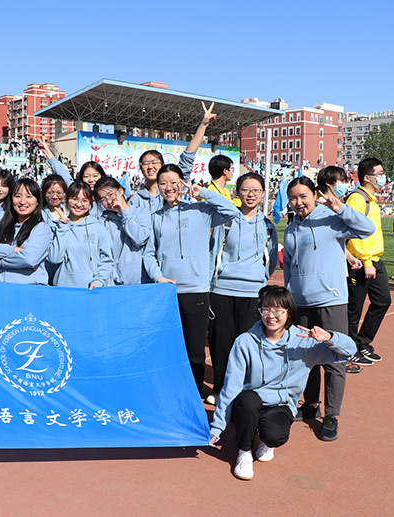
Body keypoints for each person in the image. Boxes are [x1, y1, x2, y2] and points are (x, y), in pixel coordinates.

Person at [209, 286, 356, 481]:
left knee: (275, 435)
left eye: (278, 310)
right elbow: (231, 386)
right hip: (250, 402)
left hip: (281, 404)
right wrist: (218, 425)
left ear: (289, 312)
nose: (271, 316)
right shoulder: (245, 341)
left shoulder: (303, 342)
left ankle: (266, 441)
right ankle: (244, 453)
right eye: (266, 309)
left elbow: (349, 352)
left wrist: (329, 338)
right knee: (247, 401)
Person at [283, 174, 374, 441]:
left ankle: (332, 415)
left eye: (303, 196)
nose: (298, 202)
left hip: (330, 300)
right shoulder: (291, 229)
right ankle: (311, 405)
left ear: (314, 195)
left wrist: (340, 208)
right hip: (300, 303)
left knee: (335, 357)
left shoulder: (332, 219)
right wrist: (289, 296)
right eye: (293, 198)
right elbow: (288, 267)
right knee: (305, 357)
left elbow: (367, 229)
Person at [143, 163, 240, 395]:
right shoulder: (156, 217)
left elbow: (232, 211)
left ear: (182, 183)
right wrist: (158, 276)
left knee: (195, 351)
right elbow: (149, 253)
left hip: (196, 289)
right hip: (167, 291)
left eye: (173, 182)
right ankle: (170, 393)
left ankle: (193, 395)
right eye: (163, 183)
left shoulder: (201, 210)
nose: (168, 188)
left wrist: (203, 192)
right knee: (169, 349)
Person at [207, 172, 278, 405]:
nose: (250, 194)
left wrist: (259, 279)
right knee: (221, 344)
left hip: (253, 294)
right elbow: (212, 253)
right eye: (245, 189)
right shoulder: (226, 221)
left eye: (256, 190)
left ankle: (243, 390)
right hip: (223, 291)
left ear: (263, 193)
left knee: (249, 345)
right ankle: (220, 389)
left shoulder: (268, 226)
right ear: (237, 192)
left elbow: (271, 261)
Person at [129, 102, 219, 212]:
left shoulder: (174, 188)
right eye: (145, 163)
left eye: (154, 162)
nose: (150, 166)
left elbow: (188, 156)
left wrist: (203, 125)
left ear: (163, 165)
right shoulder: (135, 200)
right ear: (140, 168)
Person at [345, 158, 392, 368]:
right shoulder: (357, 199)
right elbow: (354, 234)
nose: (383, 177)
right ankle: (349, 349)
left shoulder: (372, 199)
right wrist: (366, 261)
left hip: (375, 260)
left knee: (383, 301)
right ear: (367, 177)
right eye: (379, 174)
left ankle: (362, 342)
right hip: (361, 262)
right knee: (354, 309)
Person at [0, 178, 52, 284]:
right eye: (17, 196)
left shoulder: (42, 228)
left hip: (28, 289)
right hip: (0, 288)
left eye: (28, 196)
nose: (22, 201)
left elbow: (29, 259)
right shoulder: (3, 226)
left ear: (37, 201)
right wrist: (15, 250)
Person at [48, 182, 114, 289]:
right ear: (67, 199)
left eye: (84, 200)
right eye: (74, 199)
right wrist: (62, 228)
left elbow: (106, 261)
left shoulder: (98, 228)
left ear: (90, 203)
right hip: (63, 288)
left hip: (91, 289)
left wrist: (99, 281)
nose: (79, 204)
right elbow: (54, 258)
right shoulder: (57, 227)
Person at [94, 176, 149, 286]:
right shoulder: (102, 222)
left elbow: (140, 239)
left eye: (110, 194)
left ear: (121, 191)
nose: (109, 201)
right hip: (114, 283)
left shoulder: (142, 213)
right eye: (103, 199)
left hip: (141, 281)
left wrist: (123, 212)